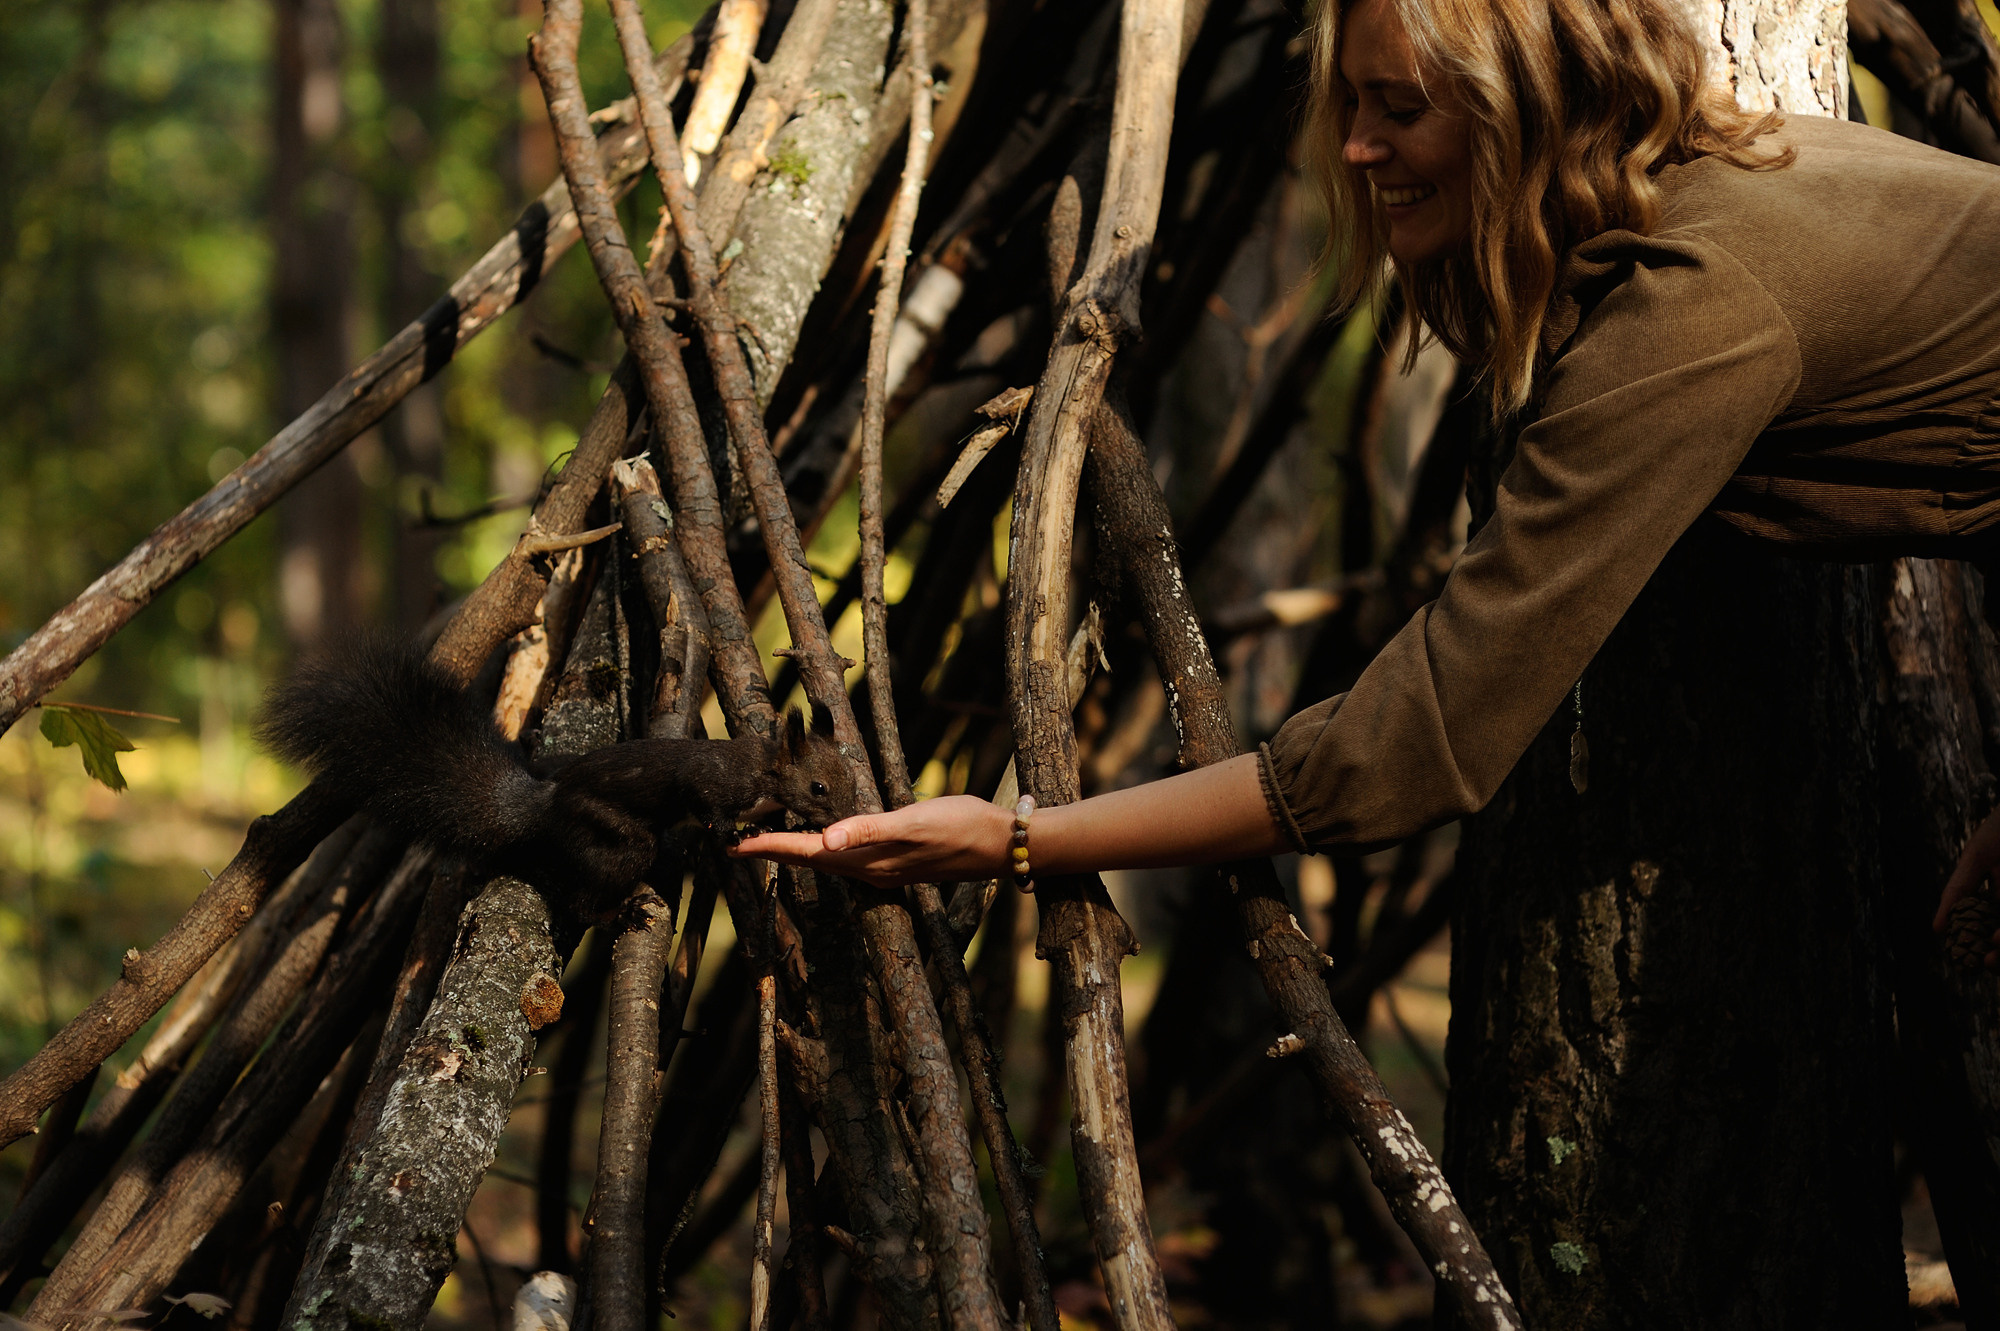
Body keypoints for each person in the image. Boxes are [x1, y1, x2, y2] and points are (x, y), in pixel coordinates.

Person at [736, 0, 2000, 959]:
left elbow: (1418, 744)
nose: (1352, 148)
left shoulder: (1697, 307)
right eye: (1350, 104)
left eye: (1398, 109)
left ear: (1523, 107)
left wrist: (1019, 835)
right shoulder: (1731, 188)